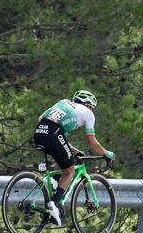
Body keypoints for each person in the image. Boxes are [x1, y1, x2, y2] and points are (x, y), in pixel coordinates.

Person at [34, 90, 115, 226]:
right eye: (92, 108)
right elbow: (92, 143)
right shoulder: (88, 113)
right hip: (54, 133)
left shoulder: (64, 103)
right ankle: (54, 204)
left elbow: (41, 119)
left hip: (39, 131)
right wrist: (106, 153)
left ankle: (52, 188)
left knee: (62, 160)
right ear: (88, 105)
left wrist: (76, 151)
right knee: (70, 171)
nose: (92, 110)